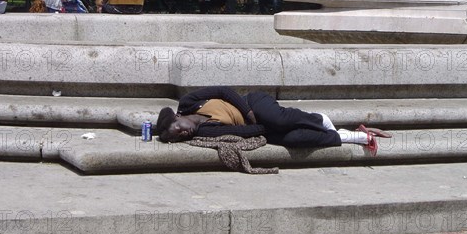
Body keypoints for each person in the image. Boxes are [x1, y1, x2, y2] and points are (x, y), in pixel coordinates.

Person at [155, 86, 391, 155]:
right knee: (294, 139)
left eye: (177, 129)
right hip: (256, 126)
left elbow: (225, 91)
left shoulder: (188, 102)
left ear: (177, 117)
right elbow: (241, 134)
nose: (182, 134)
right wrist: (259, 128)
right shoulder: (204, 133)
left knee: (277, 119)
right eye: (177, 138)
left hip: (253, 103)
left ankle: (319, 119)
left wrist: (247, 112)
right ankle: (355, 136)